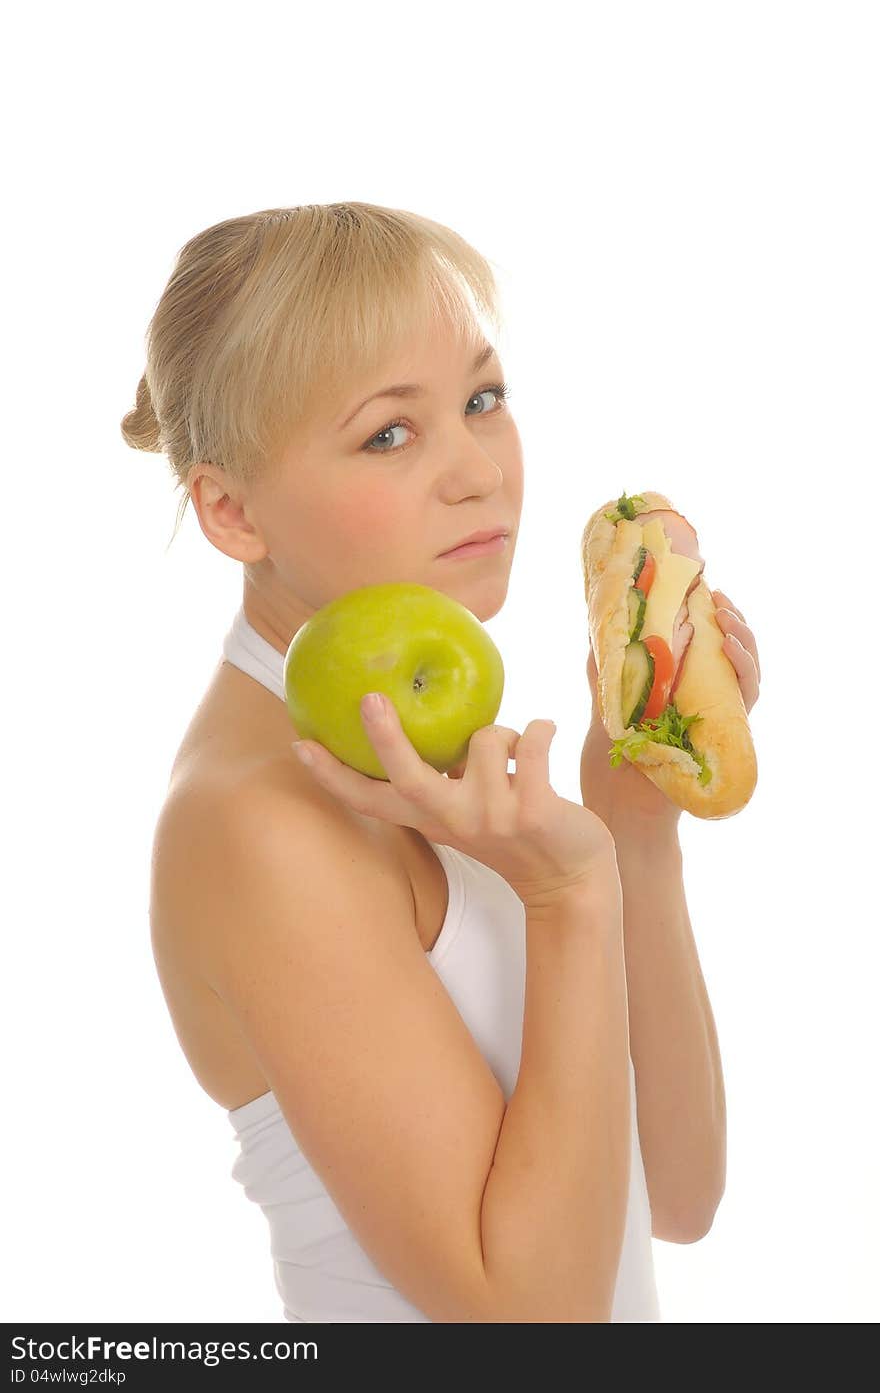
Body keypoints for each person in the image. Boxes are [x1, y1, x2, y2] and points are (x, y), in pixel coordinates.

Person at [121, 202, 744, 1323]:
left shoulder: (424, 752)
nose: (477, 474)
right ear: (228, 508)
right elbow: (535, 1319)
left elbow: (678, 1192)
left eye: (482, 401)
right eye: (388, 435)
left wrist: (631, 830)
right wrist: (565, 896)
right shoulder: (259, 819)